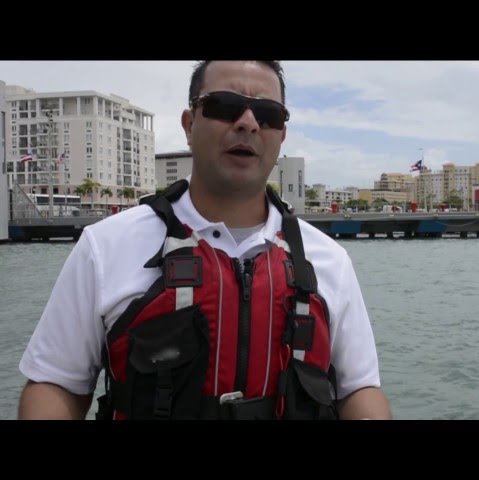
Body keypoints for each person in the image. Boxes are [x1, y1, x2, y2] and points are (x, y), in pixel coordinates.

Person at [18, 60, 392, 420]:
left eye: (268, 115)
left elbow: (359, 389)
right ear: (189, 123)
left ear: (282, 134)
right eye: (225, 106)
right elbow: (56, 385)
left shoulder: (329, 260)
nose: (248, 123)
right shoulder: (105, 247)